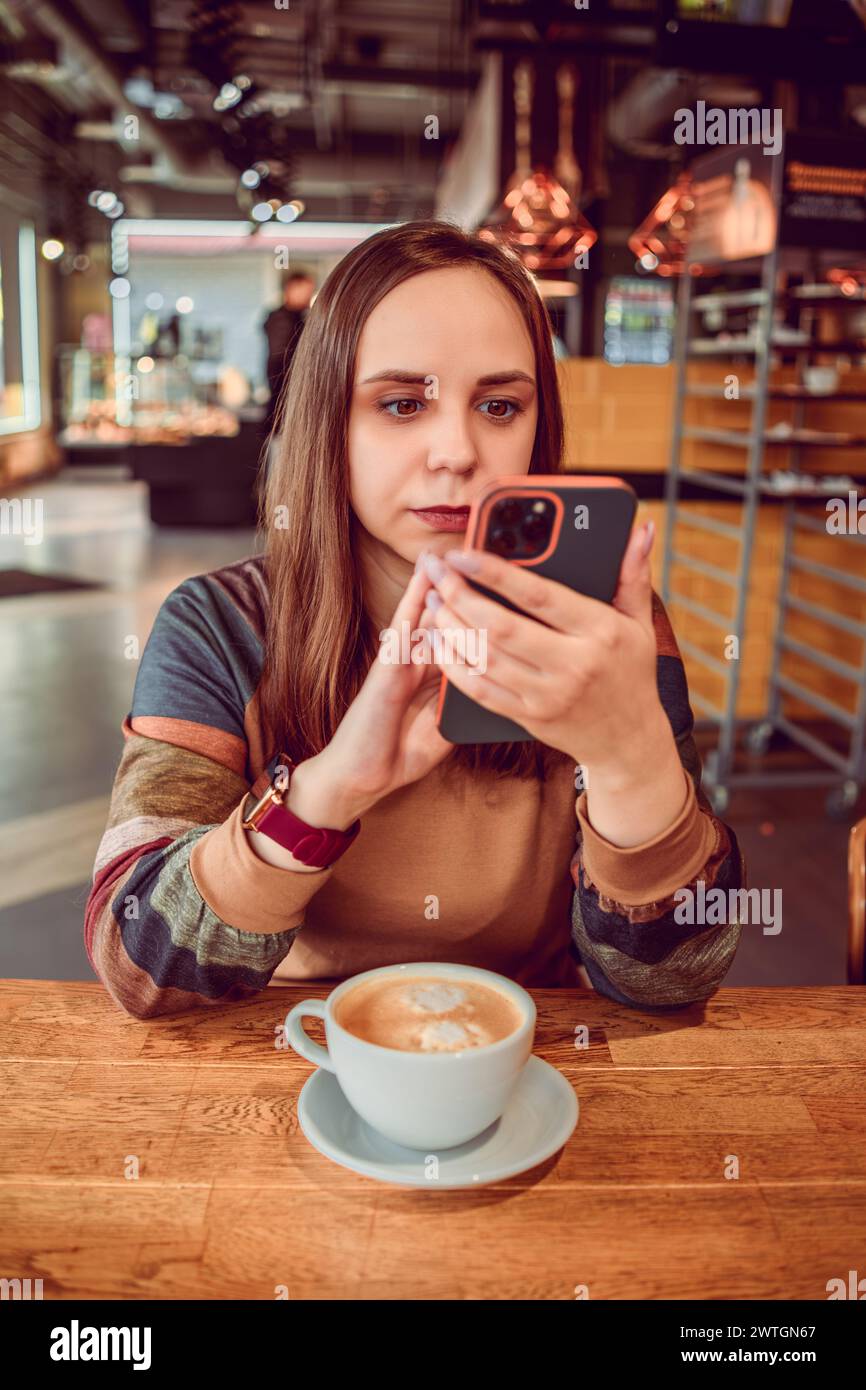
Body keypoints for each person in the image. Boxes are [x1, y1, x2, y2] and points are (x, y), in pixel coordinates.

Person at [85, 220, 745, 1019]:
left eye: (500, 405)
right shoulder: (218, 626)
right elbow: (138, 964)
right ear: (331, 421)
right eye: (401, 403)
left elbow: (668, 980)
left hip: (526, 1053)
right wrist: (327, 793)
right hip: (286, 1056)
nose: (456, 451)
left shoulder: (600, 629)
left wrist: (632, 762)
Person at [263, 270, 315, 435]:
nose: (309, 296)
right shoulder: (283, 320)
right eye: (306, 291)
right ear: (291, 289)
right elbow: (280, 360)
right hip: (284, 405)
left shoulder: (298, 318)